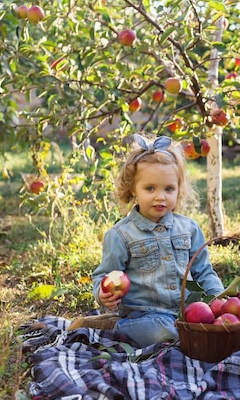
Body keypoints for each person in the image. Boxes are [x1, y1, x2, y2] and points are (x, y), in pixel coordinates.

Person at [69, 134, 225, 347]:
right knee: (162, 334)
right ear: (133, 189)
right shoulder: (121, 235)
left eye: (168, 189)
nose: (160, 196)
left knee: (215, 330)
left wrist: (220, 299)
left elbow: (203, 272)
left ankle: (180, 333)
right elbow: (105, 274)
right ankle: (112, 327)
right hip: (143, 314)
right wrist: (102, 293)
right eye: (150, 188)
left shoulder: (189, 229)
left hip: (187, 311)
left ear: (178, 189)